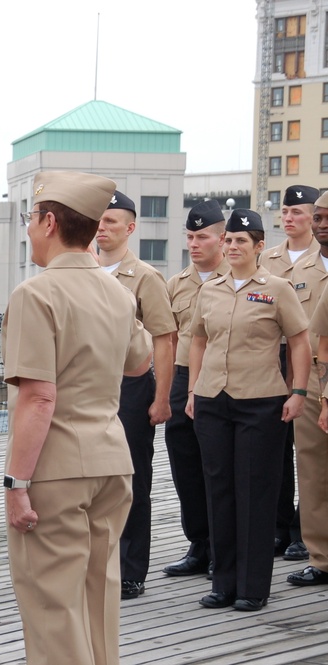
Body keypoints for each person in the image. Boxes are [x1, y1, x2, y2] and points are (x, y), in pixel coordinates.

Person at [3, 171, 152, 665]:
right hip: (112, 461)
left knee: (52, 604)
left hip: (56, 468)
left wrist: (15, 483)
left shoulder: (36, 294)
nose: (29, 230)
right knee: (99, 597)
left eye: (31, 219)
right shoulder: (117, 291)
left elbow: (39, 398)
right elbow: (139, 362)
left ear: (48, 222)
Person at [187, 208, 311, 611]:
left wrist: (298, 391)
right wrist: (192, 391)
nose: (234, 246)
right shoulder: (211, 289)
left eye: (243, 241)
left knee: (255, 492)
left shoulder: (277, 288)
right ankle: (223, 583)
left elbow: (298, 341)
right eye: (230, 240)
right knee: (218, 490)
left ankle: (252, 587)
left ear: (260, 246)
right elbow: (198, 341)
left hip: (260, 400)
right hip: (212, 399)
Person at [96, 191, 177, 599]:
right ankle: (96, 563)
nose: (102, 227)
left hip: (130, 386)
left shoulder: (145, 277)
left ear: (130, 228)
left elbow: (164, 340)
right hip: (88, 386)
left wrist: (161, 398)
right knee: (91, 475)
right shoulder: (82, 271)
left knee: (131, 478)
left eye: (112, 221)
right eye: (99, 219)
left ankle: (130, 570)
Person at [162, 200, 229, 577]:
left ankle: (224, 547)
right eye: (189, 236)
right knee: (184, 464)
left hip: (219, 380)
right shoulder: (176, 284)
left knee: (217, 466)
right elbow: (168, 338)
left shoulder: (237, 279)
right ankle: (199, 544)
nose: (194, 243)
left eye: (202, 236)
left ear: (221, 239)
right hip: (181, 377)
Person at [259, 184, 320, 561]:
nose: (289, 218)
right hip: (272, 359)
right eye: (285, 211)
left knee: (309, 453)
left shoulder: (323, 257)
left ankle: (303, 530)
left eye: (298, 212)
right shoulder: (266, 259)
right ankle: (280, 527)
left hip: (312, 362)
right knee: (275, 448)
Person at [288, 191, 328, 587]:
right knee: (313, 472)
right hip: (314, 383)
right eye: (318, 216)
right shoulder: (301, 268)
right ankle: (321, 557)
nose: (322, 223)